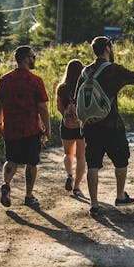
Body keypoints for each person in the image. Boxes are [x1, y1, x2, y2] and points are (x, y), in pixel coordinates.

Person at [76, 36, 134, 216]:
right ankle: (120, 195)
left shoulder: (85, 72)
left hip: (90, 125)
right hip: (111, 125)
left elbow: (77, 97)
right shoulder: (113, 70)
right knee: (121, 160)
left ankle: (94, 205)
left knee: (92, 164)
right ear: (108, 49)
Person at [0, 45, 51, 208]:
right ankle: (28, 195)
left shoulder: (5, 79)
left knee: (11, 160)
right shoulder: (35, 81)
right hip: (31, 128)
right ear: (26, 58)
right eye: (33, 57)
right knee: (31, 163)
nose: (35, 59)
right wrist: (47, 128)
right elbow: (42, 107)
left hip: (11, 128)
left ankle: (6, 184)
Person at [56, 59, 86, 197]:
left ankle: (69, 175)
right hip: (81, 126)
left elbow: (59, 107)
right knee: (81, 157)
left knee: (68, 154)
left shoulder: (61, 88)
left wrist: (65, 116)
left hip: (66, 125)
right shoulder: (84, 86)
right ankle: (77, 187)